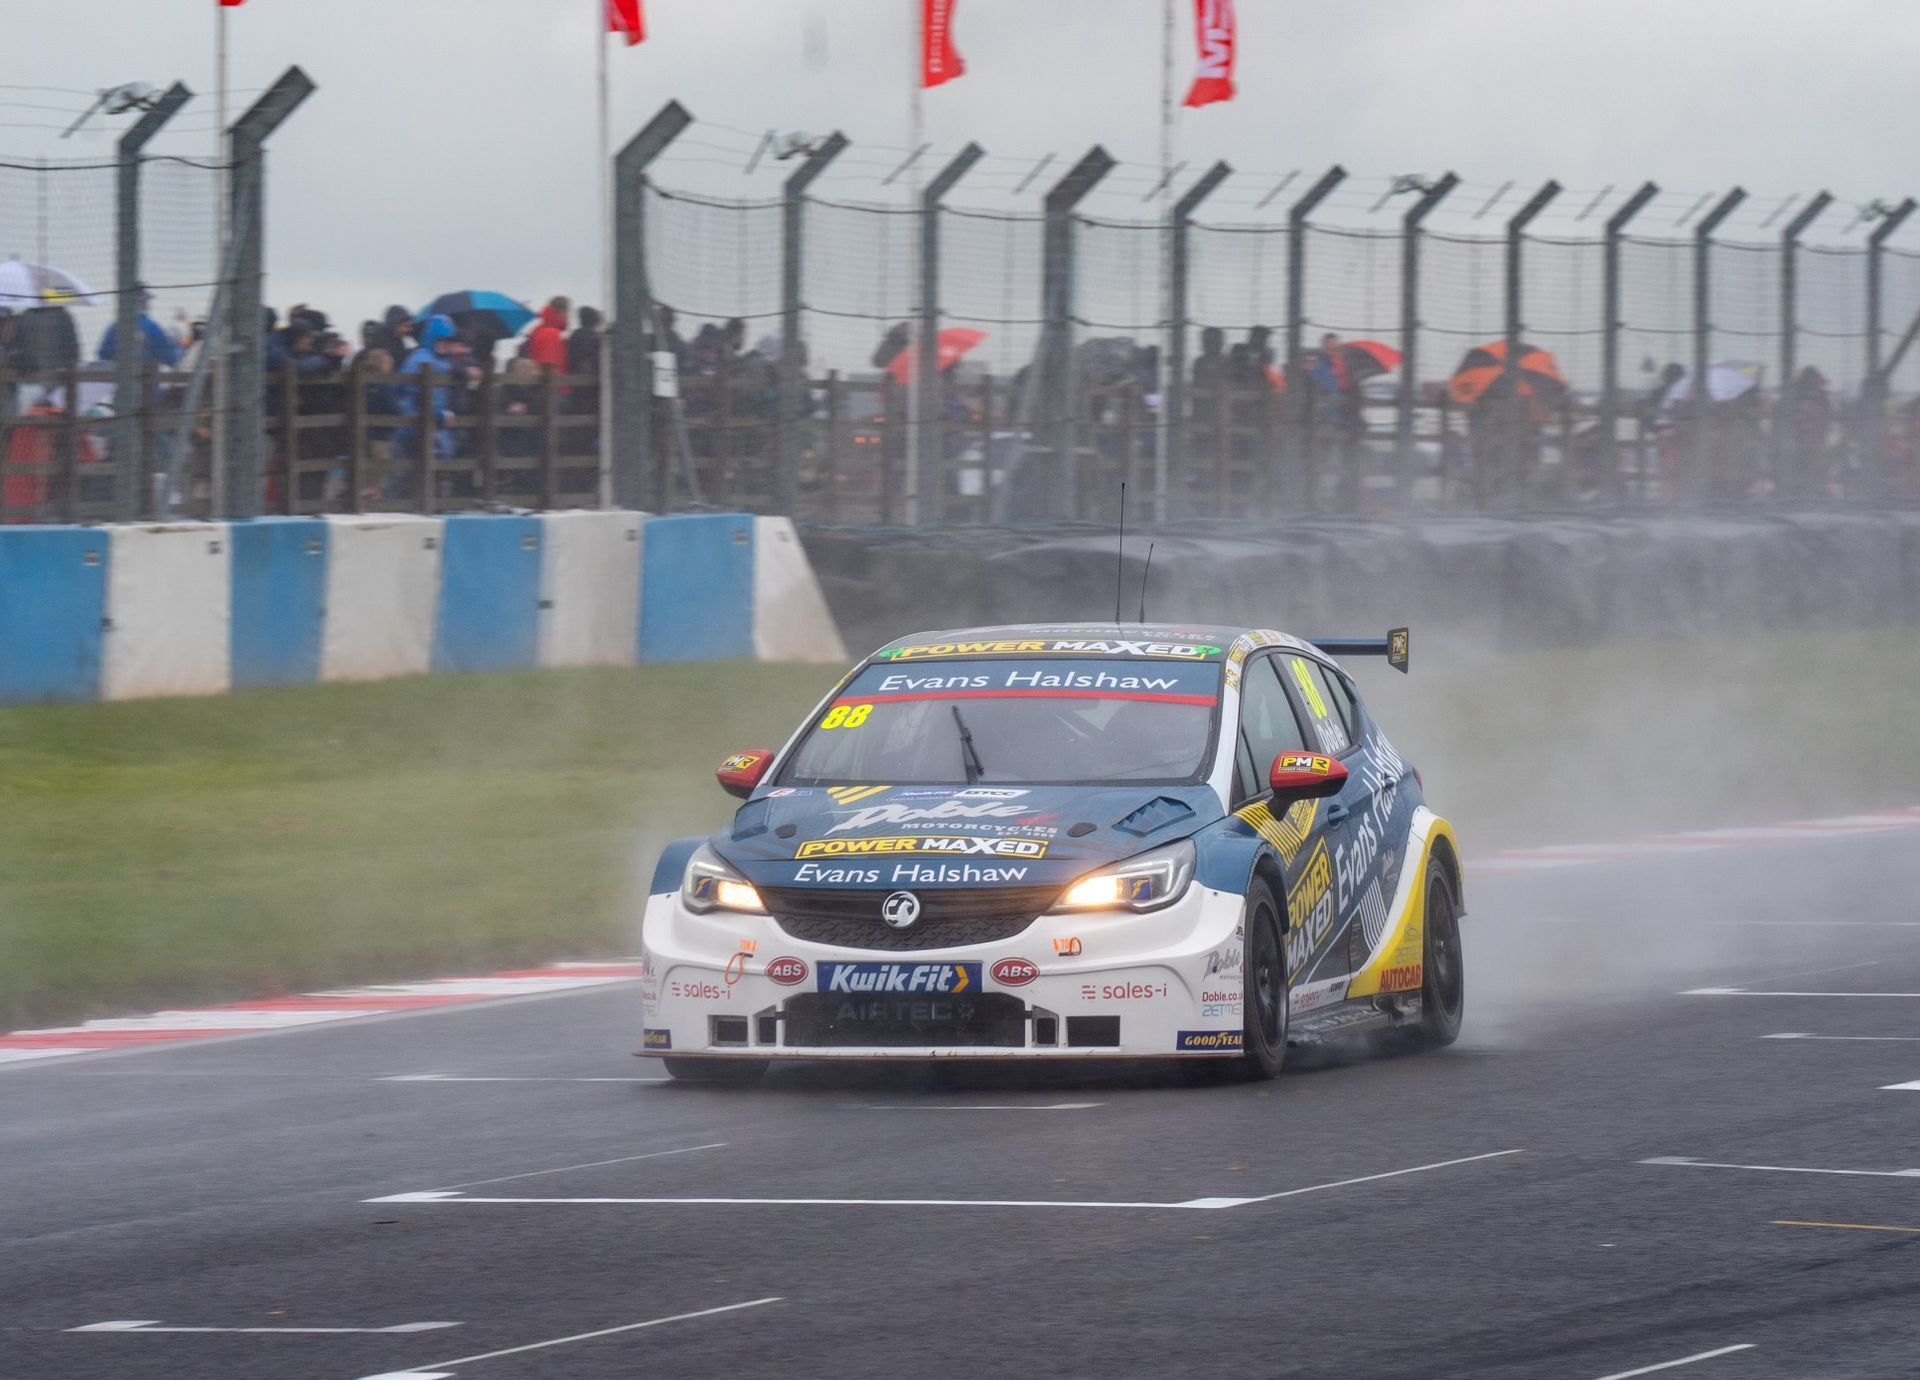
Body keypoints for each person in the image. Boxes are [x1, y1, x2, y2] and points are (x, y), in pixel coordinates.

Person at [97, 289, 182, 369]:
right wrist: (180, 348)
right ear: (144, 304)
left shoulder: (114, 327)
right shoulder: (152, 327)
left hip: (117, 381)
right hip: (146, 382)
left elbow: (102, 355)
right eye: (147, 302)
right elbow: (172, 360)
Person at [527, 297, 570, 374]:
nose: (569, 316)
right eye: (568, 312)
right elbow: (549, 367)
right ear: (562, 312)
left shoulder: (540, 329)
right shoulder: (551, 333)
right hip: (556, 384)